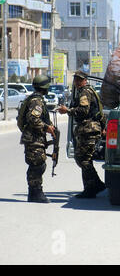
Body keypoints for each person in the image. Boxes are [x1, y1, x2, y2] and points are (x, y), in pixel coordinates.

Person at [57, 71, 106, 198]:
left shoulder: (85, 92)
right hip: (88, 129)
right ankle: (96, 185)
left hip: (89, 129)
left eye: (80, 79)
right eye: (76, 79)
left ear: (85, 80)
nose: (77, 82)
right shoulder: (88, 90)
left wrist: (67, 110)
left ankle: (92, 188)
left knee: (83, 159)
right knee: (84, 159)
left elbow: (84, 110)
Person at [20, 75, 56, 203]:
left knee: (37, 164)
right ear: (45, 87)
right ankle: (35, 193)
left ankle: (34, 193)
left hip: (35, 138)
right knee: (37, 165)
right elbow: (33, 118)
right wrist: (46, 127)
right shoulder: (36, 101)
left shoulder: (36, 99)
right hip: (33, 138)